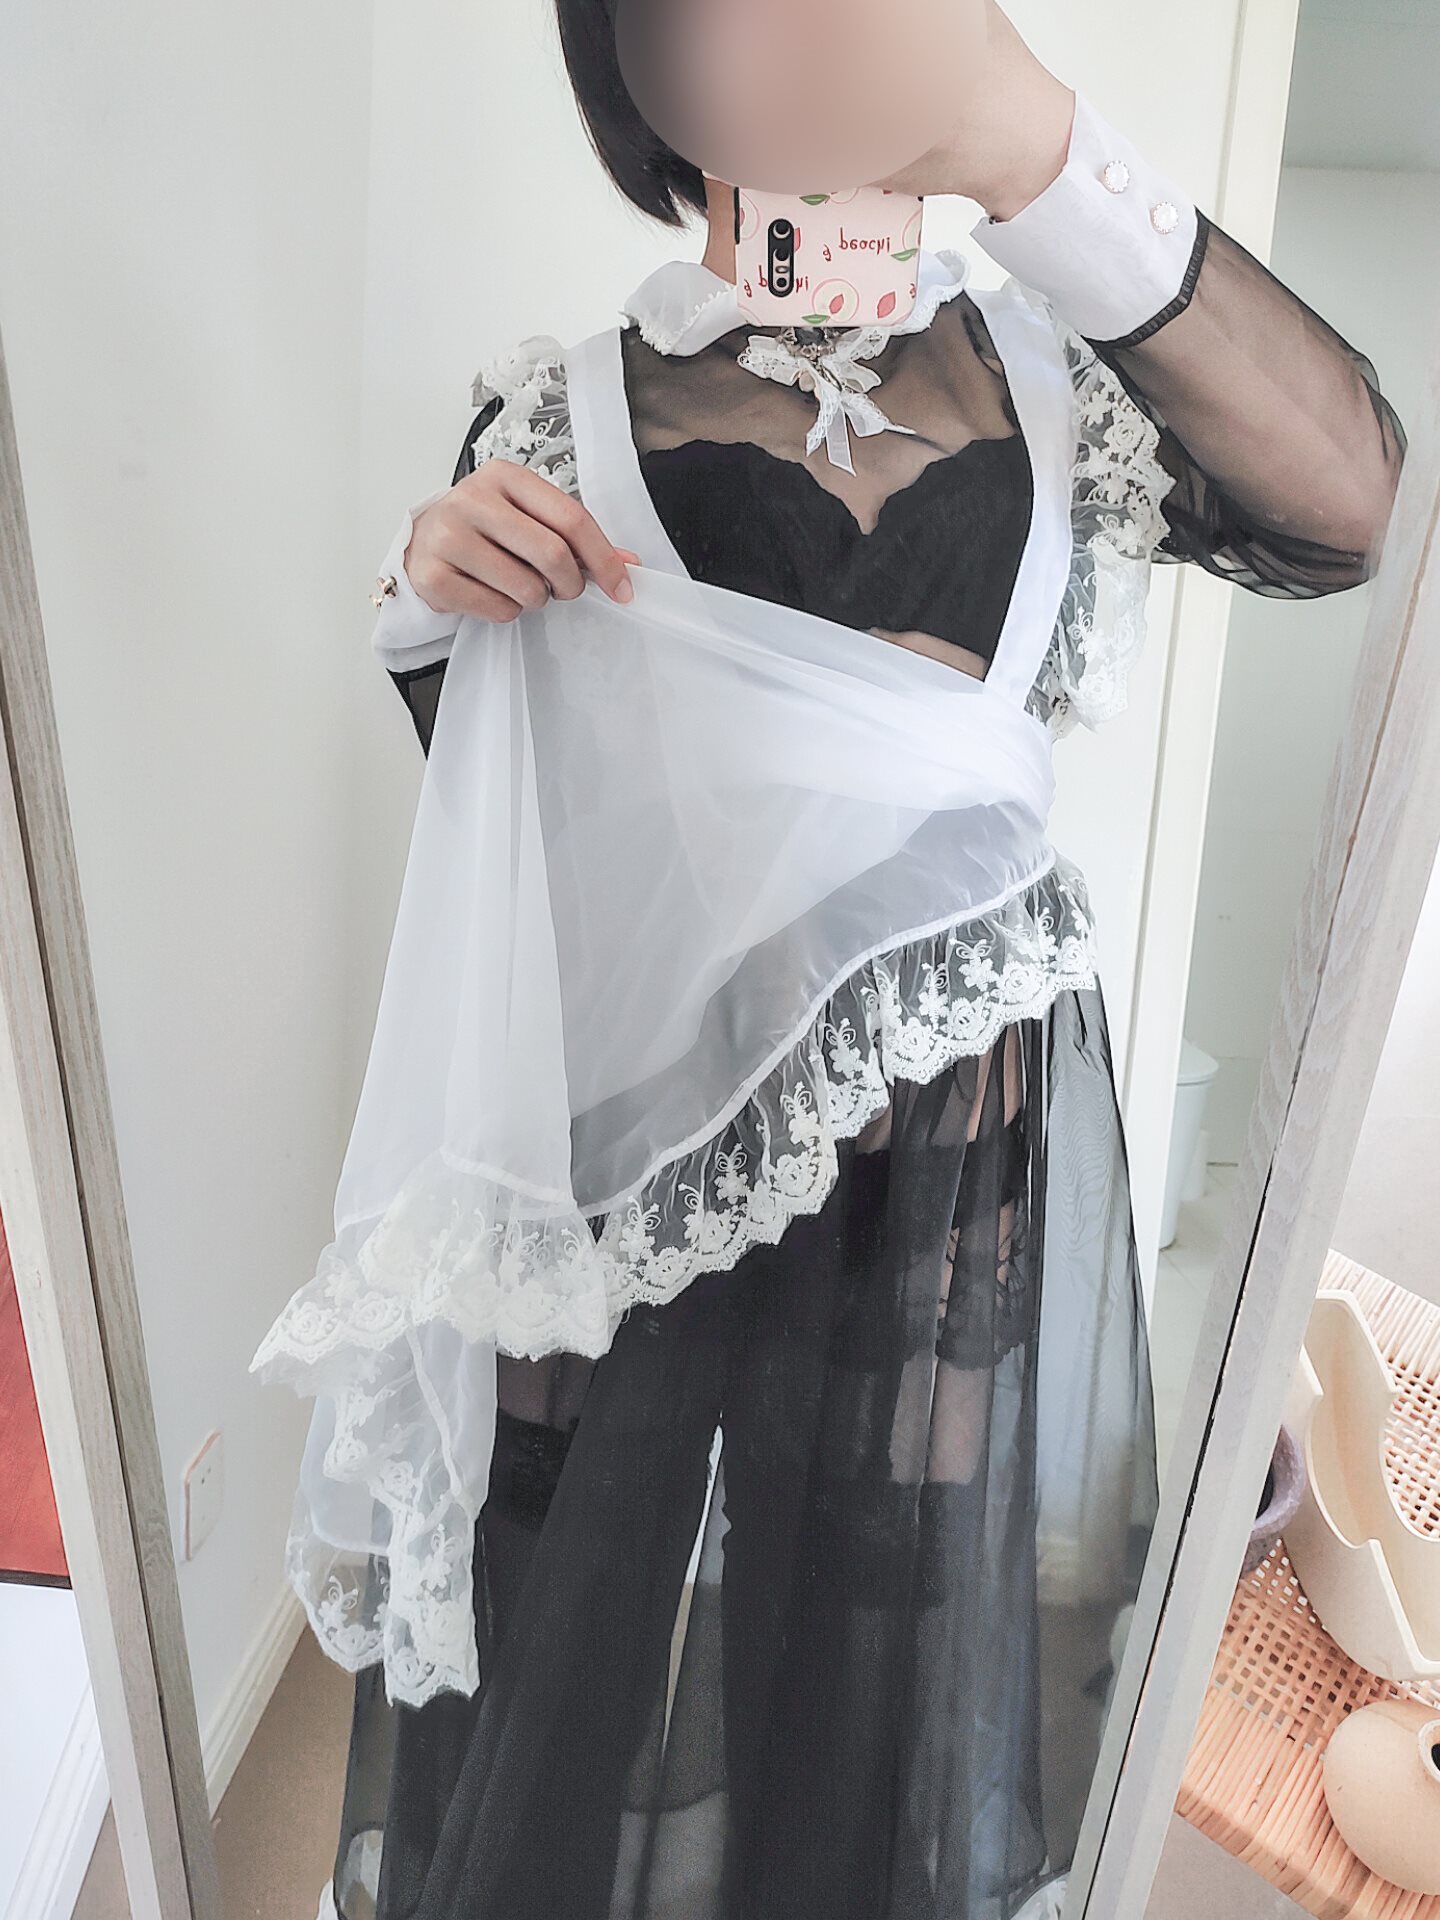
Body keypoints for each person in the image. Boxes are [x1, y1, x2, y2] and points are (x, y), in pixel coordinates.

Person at [310, 6, 1404, 1916]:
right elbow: (528, 832)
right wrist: (423, 601)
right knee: (559, 1589)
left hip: (955, 1157)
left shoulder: (1067, 386)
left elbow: (1348, 501)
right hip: (640, 1142)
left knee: (885, 1625)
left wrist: (1034, 147)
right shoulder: (567, 409)